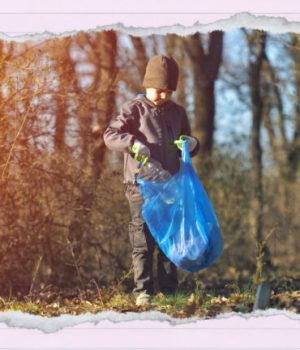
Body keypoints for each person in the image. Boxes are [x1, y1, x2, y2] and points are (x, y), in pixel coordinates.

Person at [103, 54, 199, 306]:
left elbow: (188, 140)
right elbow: (110, 135)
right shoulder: (133, 110)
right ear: (147, 85)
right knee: (142, 239)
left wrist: (191, 144)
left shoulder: (178, 112)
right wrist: (133, 143)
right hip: (139, 186)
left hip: (170, 184)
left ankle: (169, 291)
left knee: (169, 238)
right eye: (159, 90)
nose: (164, 95)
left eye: (169, 91)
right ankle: (142, 290)